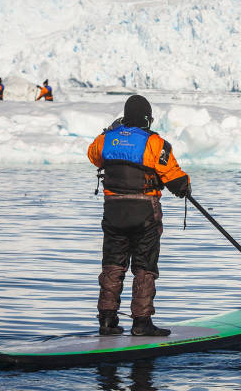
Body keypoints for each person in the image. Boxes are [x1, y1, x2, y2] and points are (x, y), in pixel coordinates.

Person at [87, 95, 191, 337]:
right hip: (144, 213)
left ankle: (107, 321)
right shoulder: (155, 143)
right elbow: (175, 178)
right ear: (147, 118)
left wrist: (111, 132)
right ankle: (141, 322)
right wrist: (185, 186)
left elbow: (93, 156)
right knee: (144, 266)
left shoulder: (106, 140)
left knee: (113, 264)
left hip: (113, 213)